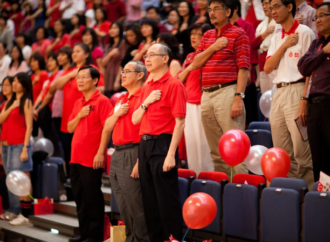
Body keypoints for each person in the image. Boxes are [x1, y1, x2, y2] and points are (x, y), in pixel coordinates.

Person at [132, 43, 186, 241]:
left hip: (163, 144)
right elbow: (135, 119)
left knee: (166, 200)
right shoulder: (146, 87)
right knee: (149, 200)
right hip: (144, 145)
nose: (147, 58)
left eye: (152, 55)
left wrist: (171, 154)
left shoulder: (174, 85)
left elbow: (180, 123)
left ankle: (172, 239)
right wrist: (147, 103)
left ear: (165, 59)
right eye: (146, 55)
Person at [191, 0, 250, 177]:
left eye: (217, 9)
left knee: (235, 149)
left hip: (227, 92)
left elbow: (243, 68)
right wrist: (214, 47)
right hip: (207, 94)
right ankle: (225, 192)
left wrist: (238, 97)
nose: (212, 12)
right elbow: (195, 63)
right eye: (210, 9)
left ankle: (240, 193)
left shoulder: (239, 34)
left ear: (229, 11)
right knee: (216, 151)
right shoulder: (208, 35)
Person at [264, 0, 315, 190]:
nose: (272, 11)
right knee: (282, 151)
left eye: (277, 6)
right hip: (278, 92)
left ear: (290, 7)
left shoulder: (305, 32)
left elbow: (311, 70)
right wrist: (285, 45)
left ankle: (308, 199)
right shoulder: (278, 37)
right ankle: (290, 197)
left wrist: (304, 99)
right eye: (271, 7)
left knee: (302, 152)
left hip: (297, 90)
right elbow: (268, 67)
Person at [102, 61, 150, 242]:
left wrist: (140, 160)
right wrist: (117, 114)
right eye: (122, 71)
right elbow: (107, 126)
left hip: (134, 151)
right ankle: (130, 238)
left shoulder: (144, 96)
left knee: (136, 204)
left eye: (127, 72)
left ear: (139, 75)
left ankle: (142, 239)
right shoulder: (121, 99)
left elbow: (147, 131)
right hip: (117, 152)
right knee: (123, 204)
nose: (122, 75)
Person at [67, 65, 113, 242]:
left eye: (84, 77)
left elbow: (107, 129)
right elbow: (70, 128)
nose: (79, 80)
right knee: (80, 198)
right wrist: (79, 115)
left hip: (91, 158)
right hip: (75, 158)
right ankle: (84, 234)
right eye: (78, 77)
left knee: (93, 198)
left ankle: (95, 237)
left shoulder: (102, 101)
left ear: (95, 80)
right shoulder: (78, 103)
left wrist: (100, 153)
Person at [53, 43, 104, 176]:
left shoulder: (91, 69)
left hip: (86, 117)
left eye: (78, 51)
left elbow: (102, 88)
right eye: (73, 52)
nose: (74, 54)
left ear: (87, 54)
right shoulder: (70, 71)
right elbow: (56, 86)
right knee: (68, 153)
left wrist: (80, 74)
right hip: (68, 118)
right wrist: (73, 74)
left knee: (84, 157)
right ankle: (71, 180)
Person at [297, 2, 330, 181]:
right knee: (318, 158)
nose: (318, 20)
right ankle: (323, 199)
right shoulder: (317, 43)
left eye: (323, 15)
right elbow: (303, 67)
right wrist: (324, 51)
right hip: (314, 106)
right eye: (316, 17)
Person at [177, 23, 213, 176]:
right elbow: (179, 79)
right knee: (192, 144)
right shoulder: (190, 56)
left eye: (198, 34)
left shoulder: (209, 55)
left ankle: (208, 179)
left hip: (203, 101)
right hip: (188, 103)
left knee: (205, 144)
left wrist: (190, 67)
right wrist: (191, 66)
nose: (193, 37)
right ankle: (195, 178)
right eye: (192, 33)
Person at [1, 73, 34, 226]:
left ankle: (25, 214)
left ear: (24, 84)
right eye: (13, 81)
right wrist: (12, 106)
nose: (14, 84)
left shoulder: (26, 101)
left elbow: (29, 127)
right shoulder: (11, 102)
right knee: (11, 179)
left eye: (17, 81)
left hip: (20, 144)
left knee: (22, 179)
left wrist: (25, 148)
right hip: (8, 144)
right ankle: (15, 210)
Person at [0, 76, 19, 221]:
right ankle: (11, 208)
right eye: (3, 84)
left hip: (15, 145)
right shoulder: (5, 104)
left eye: (8, 84)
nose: (5, 87)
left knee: (14, 179)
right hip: (4, 144)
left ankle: (16, 209)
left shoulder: (17, 102)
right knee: (8, 178)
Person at [251, 0, 281, 93]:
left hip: (275, 62)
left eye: (267, 3)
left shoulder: (280, 22)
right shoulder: (261, 25)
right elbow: (253, 45)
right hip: (262, 63)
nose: (264, 7)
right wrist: (265, 34)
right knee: (265, 93)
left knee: (276, 93)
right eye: (263, 4)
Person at [115, 24, 143, 91]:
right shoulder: (129, 48)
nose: (129, 38)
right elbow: (122, 64)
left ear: (137, 34)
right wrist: (117, 80)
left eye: (131, 35)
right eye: (127, 36)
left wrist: (139, 52)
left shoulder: (141, 46)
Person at [101, 21, 124, 97]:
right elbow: (103, 63)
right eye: (111, 28)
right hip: (109, 77)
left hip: (119, 76)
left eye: (115, 28)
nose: (112, 30)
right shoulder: (108, 46)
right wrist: (110, 54)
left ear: (120, 30)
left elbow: (123, 63)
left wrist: (118, 80)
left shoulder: (123, 44)